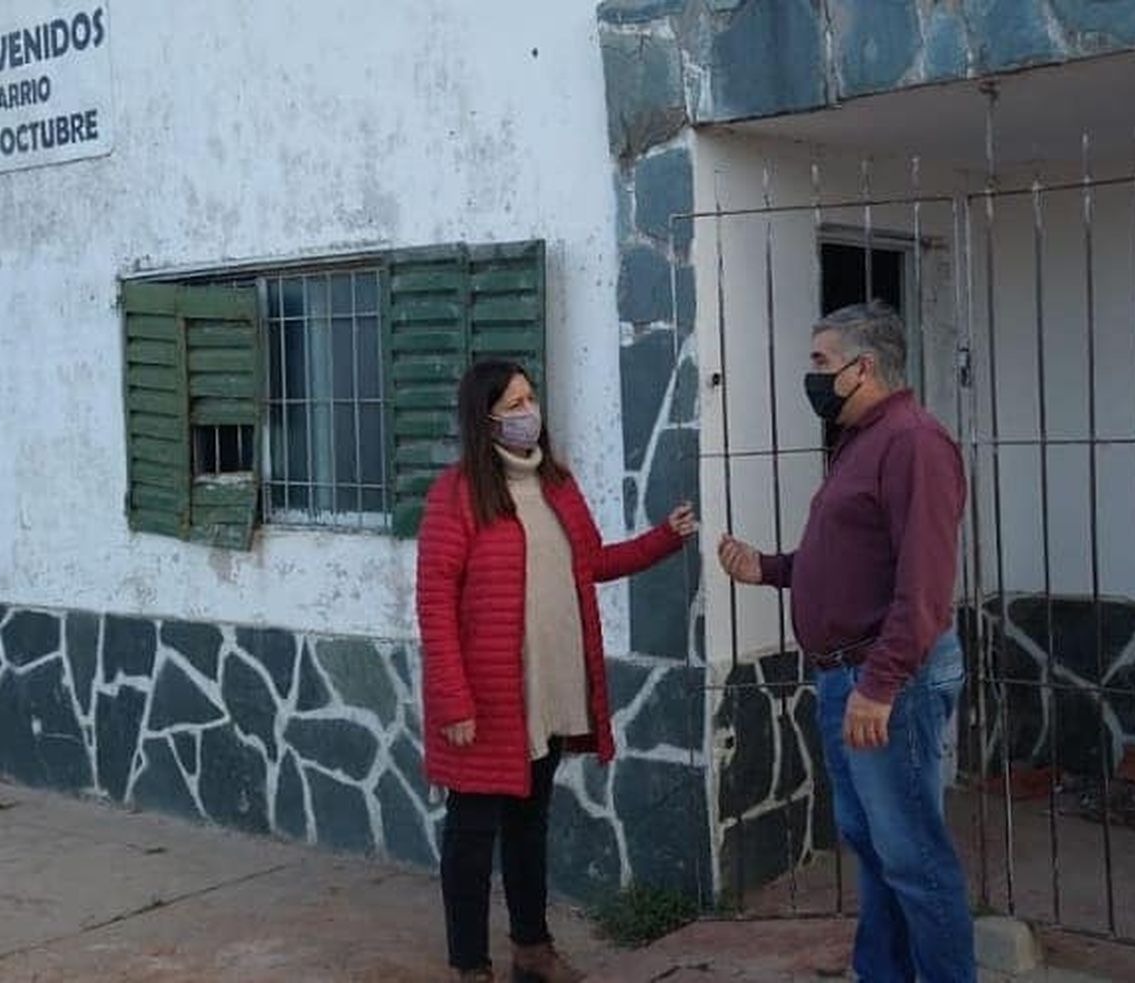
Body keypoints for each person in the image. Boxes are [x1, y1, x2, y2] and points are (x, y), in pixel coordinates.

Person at [717, 301, 974, 983]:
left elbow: (924, 585)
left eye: (821, 362)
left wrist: (880, 683)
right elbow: (848, 561)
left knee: (914, 855)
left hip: (887, 680)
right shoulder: (861, 439)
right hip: (850, 677)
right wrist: (769, 568)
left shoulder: (915, 443)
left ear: (863, 368)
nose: (813, 377)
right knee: (875, 846)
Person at [417, 359, 697, 983]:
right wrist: (454, 701)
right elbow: (434, 603)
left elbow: (592, 561)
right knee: (470, 836)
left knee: (528, 825)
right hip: (485, 700)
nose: (528, 413)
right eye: (513, 403)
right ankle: (469, 965)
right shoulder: (456, 494)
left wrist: (662, 538)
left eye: (530, 398)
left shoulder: (558, 485)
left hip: (548, 688)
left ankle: (532, 951)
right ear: (484, 418)